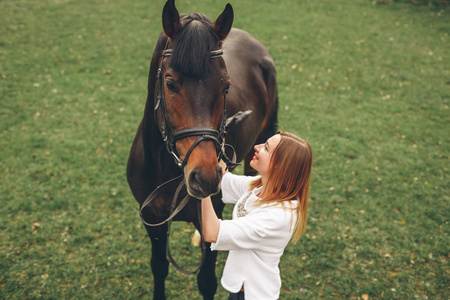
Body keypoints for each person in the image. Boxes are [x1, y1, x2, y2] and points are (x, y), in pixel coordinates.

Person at [202, 131, 313, 300]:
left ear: (280, 165)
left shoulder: (278, 216)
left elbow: (212, 232)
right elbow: (222, 178)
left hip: (254, 295)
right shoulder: (258, 187)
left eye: (266, 148)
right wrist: (215, 142)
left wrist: (202, 189)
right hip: (240, 291)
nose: (257, 147)